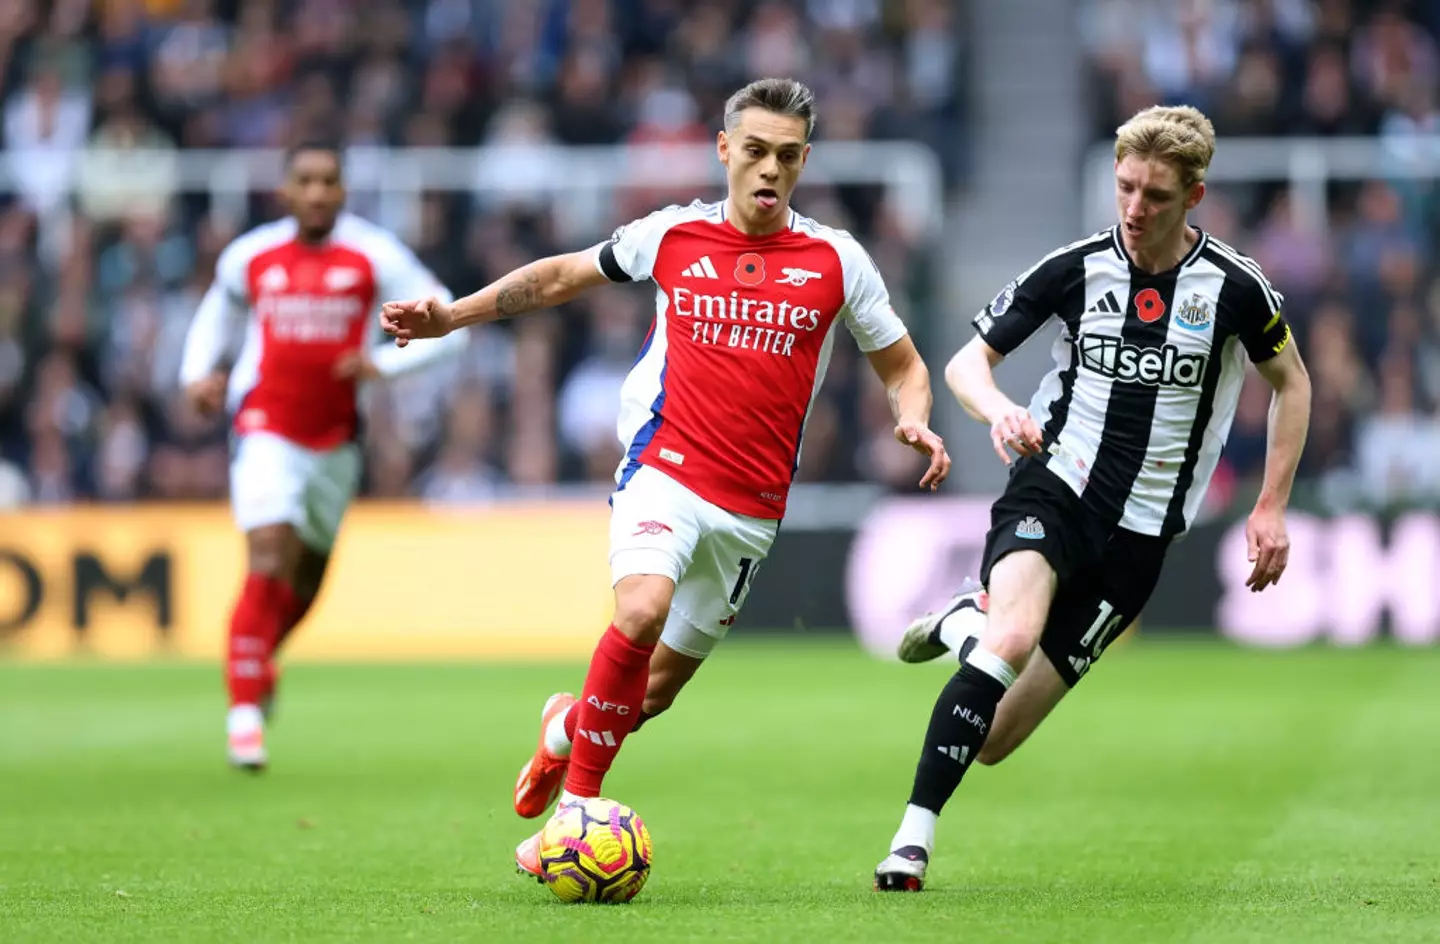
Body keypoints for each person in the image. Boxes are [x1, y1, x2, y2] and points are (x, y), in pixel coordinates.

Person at [379, 77, 952, 876]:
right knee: (641, 607)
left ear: (804, 162)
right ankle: (577, 812)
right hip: (666, 467)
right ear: (724, 150)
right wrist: (452, 316)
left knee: (648, 696)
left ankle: (564, 731)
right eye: (755, 151)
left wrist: (912, 416)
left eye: (788, 156)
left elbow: (904, 365)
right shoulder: (672, 234)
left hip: (751, 509)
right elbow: (560, 277)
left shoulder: (836, 260)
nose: (769, 169)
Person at [872, 105, 1313, 891]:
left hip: (1139, 541)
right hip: (1056, 486)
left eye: (1156, 195)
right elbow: (967, 364)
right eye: (1125, 188)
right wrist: (999, 410)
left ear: (1195, 196)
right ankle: (911, 841)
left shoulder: (1236, 288)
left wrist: (1270, 504)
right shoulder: (1077, 268)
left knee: (995, 738)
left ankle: (961, 622)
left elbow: (1294, 383)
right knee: (1013, 637)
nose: (1135, 209)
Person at [180, 141, 466, 771]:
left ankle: (256, 660)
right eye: (304, 181)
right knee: (268, 552)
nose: (315, 193)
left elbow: (449, 324)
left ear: (343, 191)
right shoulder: (251, 256)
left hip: (336, 440)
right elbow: (214, 316)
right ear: (285, 190)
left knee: (305, 581)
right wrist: (196, 374)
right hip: (264, 425)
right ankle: (244, 714)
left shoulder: (374, 255)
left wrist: (384, 366)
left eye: (327, 181)